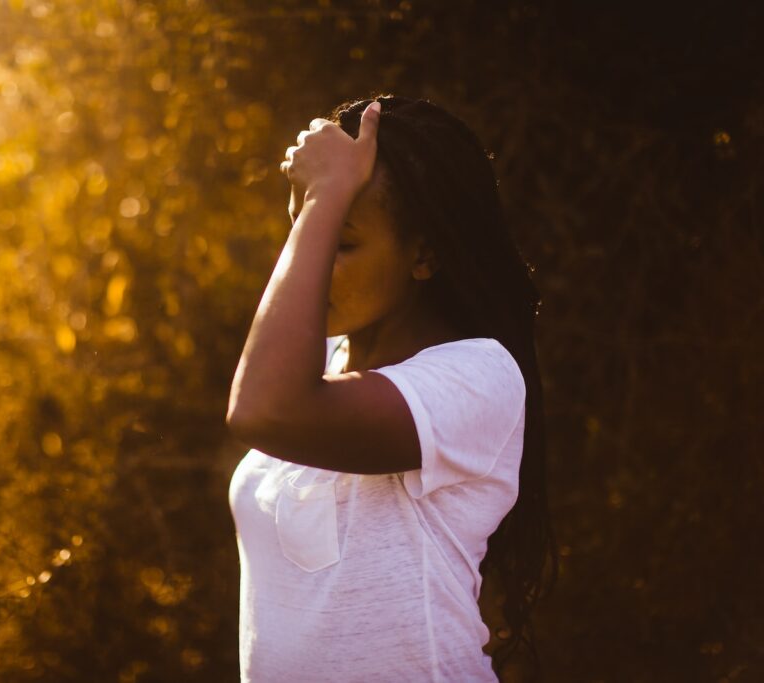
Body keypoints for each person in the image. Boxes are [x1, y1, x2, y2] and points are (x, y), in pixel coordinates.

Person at [226, 94, 558, 682]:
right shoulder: (321, 365)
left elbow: (262, 410)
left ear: (423, 253)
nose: (314, 256)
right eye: (306, 232)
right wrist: (321, 207)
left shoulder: (478, 376)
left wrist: (327, 193)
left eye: (341, 240)